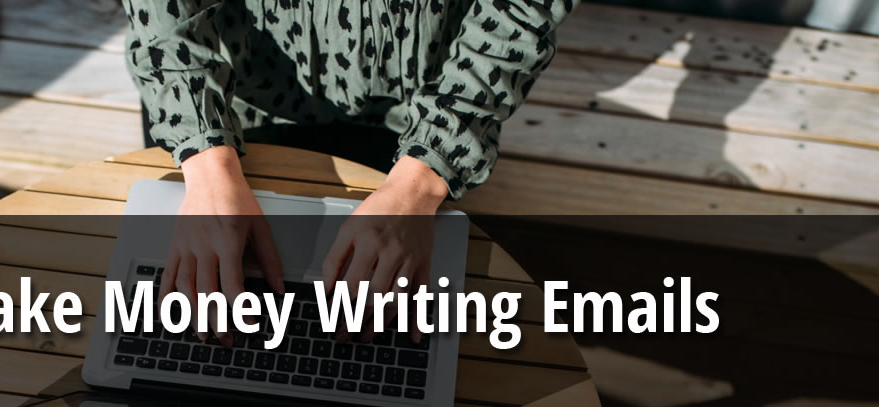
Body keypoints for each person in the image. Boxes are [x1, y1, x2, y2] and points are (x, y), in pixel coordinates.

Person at [124, 0, 578, 344]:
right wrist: (208, 165)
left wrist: (421, 181)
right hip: (226, 109)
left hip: (417, 121)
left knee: (379, 337)